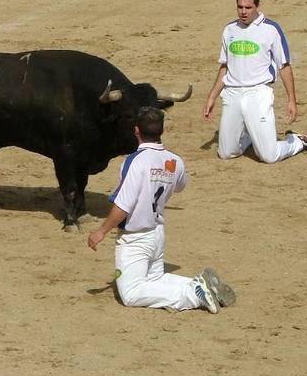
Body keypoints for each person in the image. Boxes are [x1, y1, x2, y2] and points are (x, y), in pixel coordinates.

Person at [87, 107, 235, 313]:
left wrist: (101, 231)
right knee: (154, 278)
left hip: (135, 238)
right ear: (162, 131)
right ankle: (196, 284)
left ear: (136, 131)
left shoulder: (134, 161)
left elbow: (123, 204)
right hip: (156, 233)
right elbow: (181, 185)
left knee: (131, 293)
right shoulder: (175, 161)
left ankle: (194, 294)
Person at [202, 0, 307, 163]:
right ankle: (251, 135)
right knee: (225, 153)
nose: (243, 12)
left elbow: (284, 66)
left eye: (248, 8)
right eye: (240, 7)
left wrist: (291, 100)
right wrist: (212, 97)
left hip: (258, 93)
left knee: (268, 156)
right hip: (232, 94)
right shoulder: (229, 30)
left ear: (257, 6)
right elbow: (225, 67)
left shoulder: (271, 29)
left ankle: (296, 142)